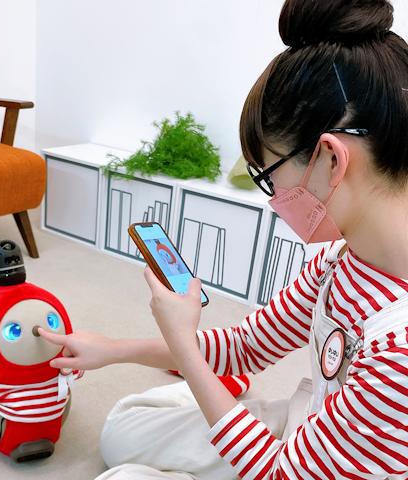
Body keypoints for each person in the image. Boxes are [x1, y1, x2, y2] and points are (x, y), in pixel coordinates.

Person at [40, 0, 408, 478]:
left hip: (294, 467)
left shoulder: (397, 356)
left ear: (331, 160)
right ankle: (228, 402)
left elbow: (278, 474)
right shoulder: (344, 258)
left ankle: (224, 404)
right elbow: (245, 345)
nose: (274, 197)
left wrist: (185, 349)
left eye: (268, 174)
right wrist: (114, 348)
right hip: (315, 436)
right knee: (121, 430)